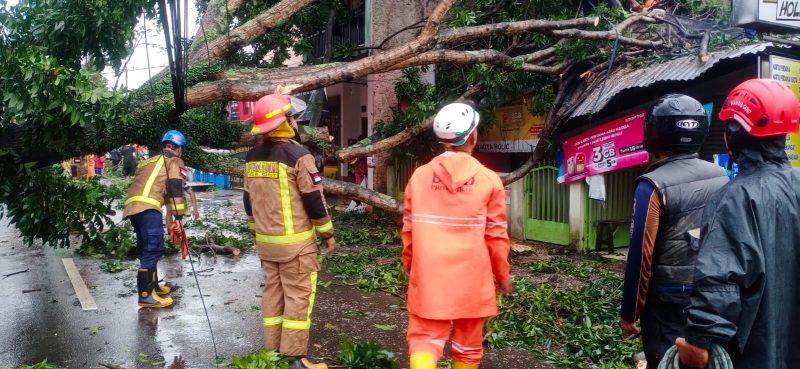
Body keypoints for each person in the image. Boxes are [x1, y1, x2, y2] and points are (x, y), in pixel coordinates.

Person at [676, 79, 800, 368]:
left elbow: (719, 281)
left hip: (756, 351)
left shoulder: (734, 198)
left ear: (734, 132)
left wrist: (699, 340)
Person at [619, 94, 728, 368]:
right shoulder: (721, 176)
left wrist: (630, 310)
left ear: (654, 132)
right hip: (712, 292)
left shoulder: (651, 184)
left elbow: (640, 255)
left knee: (666, 360)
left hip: (667, 297)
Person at [402, 102, 512, 369]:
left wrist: (409, 264)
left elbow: (409, 229)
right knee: (467, 349)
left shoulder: (419, 176)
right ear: (473, 136)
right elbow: (496, 237)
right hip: (473, 280)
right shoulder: (489, 180)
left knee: (425, 340)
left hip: (429, 275)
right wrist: (503, 275)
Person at [243, 92, 335, 369]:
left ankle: (272, 352)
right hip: (297, 246)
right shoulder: (299, 155)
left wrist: (254, 232)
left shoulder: (252, 157)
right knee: (298, 297)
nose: (295, 121)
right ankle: (295, 358)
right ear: (286, 121)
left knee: (273, 294)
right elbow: (313, 200)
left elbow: (248, 200)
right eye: (292, 117)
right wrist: (327, 234)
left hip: (266, 244)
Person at [122, 130, 188, 309]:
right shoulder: (175, 161)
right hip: (148, 208)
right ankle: (146, 297)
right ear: (179, 149)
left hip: (133, 208)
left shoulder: (148, 161)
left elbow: (161, 189)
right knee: (153, 248)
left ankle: (153, 288)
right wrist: (179, 217)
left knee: (146, 248)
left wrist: (169, 216)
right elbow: (175, 188)